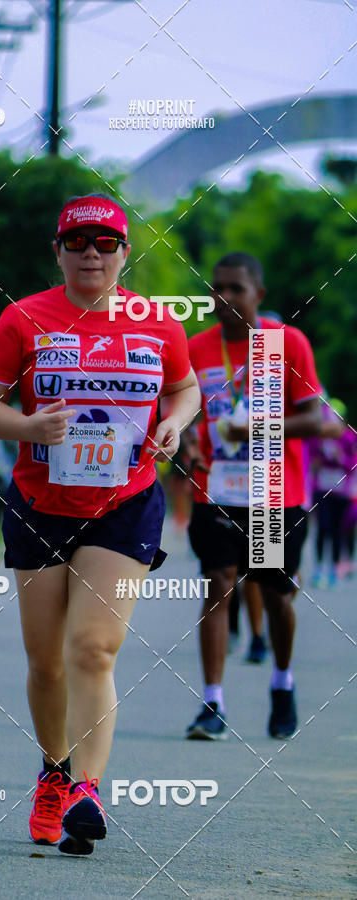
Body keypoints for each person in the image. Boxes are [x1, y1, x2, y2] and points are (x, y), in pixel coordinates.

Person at [0, 194, 200, 855]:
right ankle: (55, 770)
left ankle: (88, 790)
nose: (91, 253)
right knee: (46, 665)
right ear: (58, 252)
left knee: (93, 650)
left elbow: (184, 388)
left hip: (124, 504)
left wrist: (174, 423)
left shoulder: (158, 323)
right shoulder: (24, 319)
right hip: (40, 507)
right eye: (77, 243)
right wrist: (27, 426)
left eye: (105, 243)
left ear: (126, 253)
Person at [184, 252, 322, 741]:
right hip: (217, 490)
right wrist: (184, 447)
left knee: (274, 591)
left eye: (235, 288)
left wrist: (257, 426)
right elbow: (181, 414)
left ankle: (282, 683)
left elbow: (317, 419)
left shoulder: (286, 344)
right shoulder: (195, 348)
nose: (223, 298)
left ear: (258, 294)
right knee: (219, 583)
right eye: (216, 288)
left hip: (273, 493)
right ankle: (212, 703)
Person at [306, 398, 357, 588]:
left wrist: (340, 459)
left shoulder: (349, 438)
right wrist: (316, 462)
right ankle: (319, 569)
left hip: (341, 491)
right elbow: (309, 457)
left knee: (337, 530)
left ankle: (335, 568)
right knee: (323, 528)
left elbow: (352, 465)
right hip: (321, 488)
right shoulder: (317, 438)